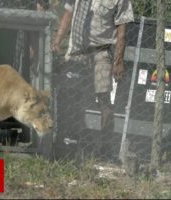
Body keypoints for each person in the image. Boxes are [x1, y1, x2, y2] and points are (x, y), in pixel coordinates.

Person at [53, 0, 134, 159]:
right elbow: (68, 15)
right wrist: (57, 41)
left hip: (102, 53)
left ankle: (105, 149)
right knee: (69, 96)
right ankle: (63, 142)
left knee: (104, 99)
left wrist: (119, 61)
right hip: (77, 50)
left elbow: (122, 32)